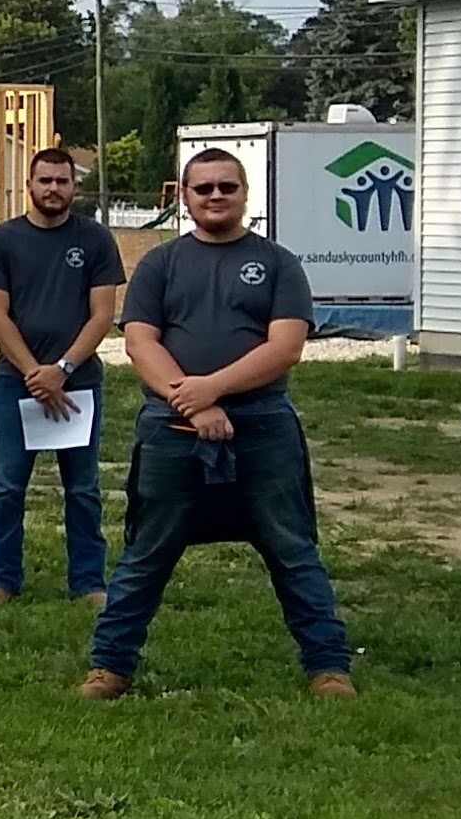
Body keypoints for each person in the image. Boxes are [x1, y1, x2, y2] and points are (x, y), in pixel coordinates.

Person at [82, 146, 356, 699]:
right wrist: (196, 403)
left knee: (293, 549)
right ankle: (109, 668)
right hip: (172, 431)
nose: (214, 197)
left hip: (262, 427)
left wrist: (215, 388)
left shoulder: (279, 263)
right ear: (184, 197)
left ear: (244, 195)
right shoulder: (161, 264)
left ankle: (328, 668)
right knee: (145, 555)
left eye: (226, 187)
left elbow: (286, 348)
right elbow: (139, 342)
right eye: (202, 188)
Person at [0, 142, 123, 605]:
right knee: (8, 484)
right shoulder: (2, 241)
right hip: (16, 383)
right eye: (45, 181)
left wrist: (63, 368)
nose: (53, 189)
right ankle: (2, 581)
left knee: (82, 487)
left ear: (75, 187)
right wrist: (35, 372)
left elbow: (102, 315)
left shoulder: (95, 240)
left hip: (78, 382)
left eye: (62, 181)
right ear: (29, 186)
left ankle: (88, 583)